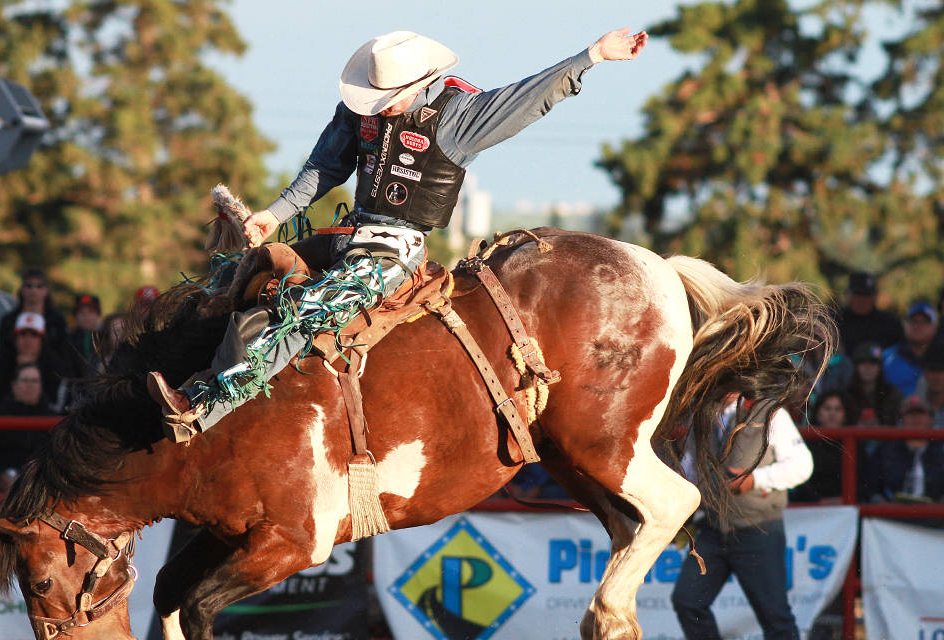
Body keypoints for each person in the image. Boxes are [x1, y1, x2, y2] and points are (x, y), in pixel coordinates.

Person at [149, 27, 650, 442]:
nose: (379, 107)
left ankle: (201, 409)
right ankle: (182, 367)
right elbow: (325, 166)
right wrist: (275, 215)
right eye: (375, 97)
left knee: (305, 314)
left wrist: (593, 56)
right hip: (348, 230)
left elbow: (528, 98)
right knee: (246, 275)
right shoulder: (359, 110)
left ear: (420, 84)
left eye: (388, 99)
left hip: (395, 250)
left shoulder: (458, 117)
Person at [670, 394, 818, 640]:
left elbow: (802, 465)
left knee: (773, 612)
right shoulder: (706, 411)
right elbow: (691, 468)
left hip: (755, 528)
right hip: (718, 526)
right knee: (688, 600)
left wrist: (757, 480)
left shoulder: (769, 413)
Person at [861, 395, 944, 504]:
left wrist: (942, 505)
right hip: (889, 516)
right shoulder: (885, 449)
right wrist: (882, 504)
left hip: (934, 516)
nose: (916, 419)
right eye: (910, 414)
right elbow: (870, 486)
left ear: (931, 419)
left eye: (920, 414)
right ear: (902, 419)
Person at [0, 311, 69, 411]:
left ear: (42, 340)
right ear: (15, 339)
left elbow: (58, 407)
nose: (28, 340)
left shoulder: (57, 369)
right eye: (23, 334)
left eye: (34, 335)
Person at [0, 363, 50, 489]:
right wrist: (1, 474)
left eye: (34, 381)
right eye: (25, 380)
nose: (30, 385)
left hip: (43, 481)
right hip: (5, 481)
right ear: (14, 385)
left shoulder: (52, 418)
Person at [790, 389, 857, 505]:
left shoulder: (855, 444)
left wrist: (846, 499)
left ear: (845, 415)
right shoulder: (805, 443)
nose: (832, 414)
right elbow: (799, 478)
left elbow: (861, 480)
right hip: (809, 507)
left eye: (838, 409)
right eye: (827, 408)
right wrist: (818, 501)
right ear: (818, 413)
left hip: (846, 507)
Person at [0, 269, 69, 367]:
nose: (33, 290)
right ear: (22, 289)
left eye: (39, 286)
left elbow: (64, 356)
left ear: (46, 290)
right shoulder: (8, 321)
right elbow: (2, 355)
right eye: (29, 286)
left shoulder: (57, 321)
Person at [833, 271, 903, 356]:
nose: (862, 300)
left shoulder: (890, 323)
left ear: (875, 297)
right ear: (848, 294)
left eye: (866, 295)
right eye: (858, 295)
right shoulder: (834, 320)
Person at [882, 300, 939, 397]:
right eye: (913, 321)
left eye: (925, 322)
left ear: (935, 328)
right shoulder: (886, 357)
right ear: (904, 325)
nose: (918, 326)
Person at [846, 341, 902, 426]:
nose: (868, 367)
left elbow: (895, 423)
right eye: (863, 362)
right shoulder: (846, 394)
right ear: (856, 366)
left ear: (880, 367)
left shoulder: (892, 393)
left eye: (873, 363)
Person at [67, 293, 101, 370]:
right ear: (75, 315)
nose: (86, 316)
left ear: (98, 315)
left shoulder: (106, 337)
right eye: (81, 312)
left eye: (91, 312)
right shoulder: (67, 339)